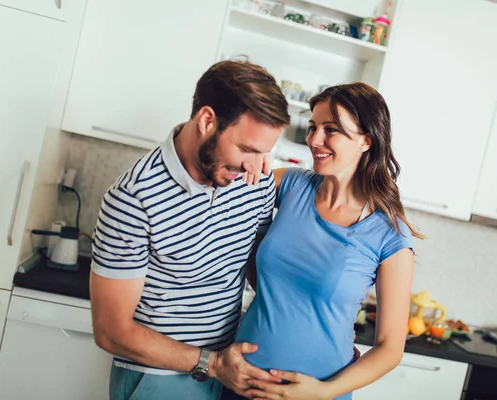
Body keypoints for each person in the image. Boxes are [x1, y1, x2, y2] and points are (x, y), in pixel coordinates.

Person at [89, 59, 291, 400]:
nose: (254, 165)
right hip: (158, 381)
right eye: (246, 148)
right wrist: (210, 364)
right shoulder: (134, 198)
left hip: (228, 377)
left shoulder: (253, 177)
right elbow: (111, 332)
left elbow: (261, 269)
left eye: (264, 152)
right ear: (207, 120)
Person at [223, 82, 422, 400]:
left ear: (366, 140)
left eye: (331, 130)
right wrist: (252, 151)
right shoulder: (289, 185)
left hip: (315, 394)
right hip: (241, 381)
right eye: (313, 126)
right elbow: (221, 190)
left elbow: (390, 348)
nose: (314, 140)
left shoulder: (389, 234)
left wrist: (324, 391)